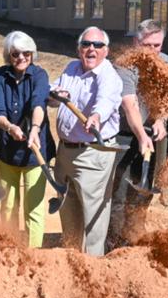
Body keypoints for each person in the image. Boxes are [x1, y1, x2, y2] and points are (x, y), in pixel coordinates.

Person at [49, 27, 122, 257]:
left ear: (106, 51)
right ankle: (71, 259)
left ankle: (93, 267)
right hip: (66, 153)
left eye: (97, 45)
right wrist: (54, 92)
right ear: (79, 48)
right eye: (86, 44)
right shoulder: (71, 68)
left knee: (94, 216)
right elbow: (51, 93)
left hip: (93, 154)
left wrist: (97, 116)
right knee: (68, 208)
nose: (92, 49)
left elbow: (107, 100)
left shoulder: (108, 75)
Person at [109, 19, 168, 250]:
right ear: (137, 41)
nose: (153, 51)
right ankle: (114, 244)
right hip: (125, 135)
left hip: (152, 135)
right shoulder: (124, 64)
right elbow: (130, 105)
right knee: (119, 193)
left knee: (144, 190)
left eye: (157, 45)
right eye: (147, 45)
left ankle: (134, 239)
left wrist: (161, 119)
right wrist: (140, 135)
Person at [0, 30, 52, 248]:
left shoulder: (39, 75)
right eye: (16, 54)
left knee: (33, 208)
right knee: (8, 205)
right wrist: (9, 127)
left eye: (27, 53)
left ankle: (33, 254)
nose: (21, 58)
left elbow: (38, 103)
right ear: (9, 54)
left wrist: (35, 128)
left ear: (32, 54)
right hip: (7, 150)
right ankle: (10, 248)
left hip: (35, 151)